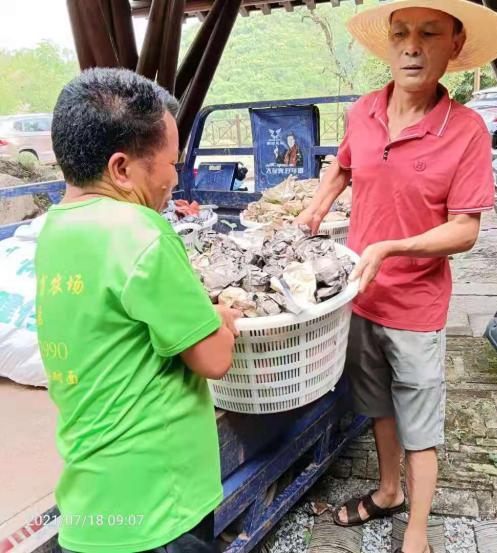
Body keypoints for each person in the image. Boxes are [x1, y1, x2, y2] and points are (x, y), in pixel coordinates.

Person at [296, 2, 497, 552]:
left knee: (420, 421)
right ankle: (388, 491)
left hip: (416, 307)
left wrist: (391, 247)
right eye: (401, 34)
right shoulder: (363, 111)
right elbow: (344, 165)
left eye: (429, 34)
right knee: (376, 403)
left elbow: (465, 229)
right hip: (357, 296)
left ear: (455, 45)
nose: (412, 46)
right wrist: (316, 208)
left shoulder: (465, 131)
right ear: (388, 44)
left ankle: (417, 534)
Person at [35, 68, 241, 553]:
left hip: (93, 500)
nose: (174, 176)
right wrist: (224, 321)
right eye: (170, 162)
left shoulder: (54, 230)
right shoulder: (141, 231)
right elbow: (213, 359)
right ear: (122, 169)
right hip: (158, 504)